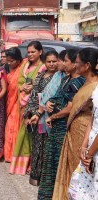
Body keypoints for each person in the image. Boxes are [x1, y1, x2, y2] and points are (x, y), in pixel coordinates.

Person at [38, 49, 86, 199]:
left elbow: (72, 107)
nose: (61, 63)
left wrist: (53, 117)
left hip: (65, 126)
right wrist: (50, 102)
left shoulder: (79, 82)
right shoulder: (66, 79)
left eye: (65, 61)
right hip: (56, 126)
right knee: (52, 162)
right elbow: (56, 95)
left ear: (74, 64)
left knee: (63, 162)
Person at [53, 48, 98, 200]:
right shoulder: (86, 83)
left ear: (87, 65)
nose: (75, 65)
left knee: (83, 174)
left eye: (77, 63)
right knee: (74, 172)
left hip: (87, 133)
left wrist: (88, 149)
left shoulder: (95, 87)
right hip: (79, 132)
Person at [9, 41, 46, 175]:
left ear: (40, 52)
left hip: (36, 105)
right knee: (25, 131)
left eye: (33, 52)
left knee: (34, 133)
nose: (30, 54)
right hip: (23, 102)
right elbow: (19, 82)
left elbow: (43, 85)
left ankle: (33, 164)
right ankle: (23, 165)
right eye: (28, 52)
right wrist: (22, 87)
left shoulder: (43, 67)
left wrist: (33, 88)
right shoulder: (25, 65)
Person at [24, 51, 59, 186]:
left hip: (51, 116)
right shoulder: (40, 76)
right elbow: (33, 96)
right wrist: (32, 113)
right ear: (45, 62)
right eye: (49, 61)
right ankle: (35, 175)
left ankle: (47, 178)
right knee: (37, 145)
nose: (51, 64)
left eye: (54, 61)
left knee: (48, 147)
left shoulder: (59, 77)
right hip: (38, 116)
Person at [68, 86, 98, 200]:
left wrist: (89, 154)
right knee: (82, 189)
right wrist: (84, 146)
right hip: (91, 147)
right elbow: (93, 116)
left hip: (93, 151)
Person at [4, 47, 23, 162]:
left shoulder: (23, 69)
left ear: (18, 60)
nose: (10, 63)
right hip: (9, 100)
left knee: (14, 126)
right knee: (9, 128)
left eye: (12, 61)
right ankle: (8, 154)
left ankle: (15, 155)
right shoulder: (6, 68)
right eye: (8, 60)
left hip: (19, 102)